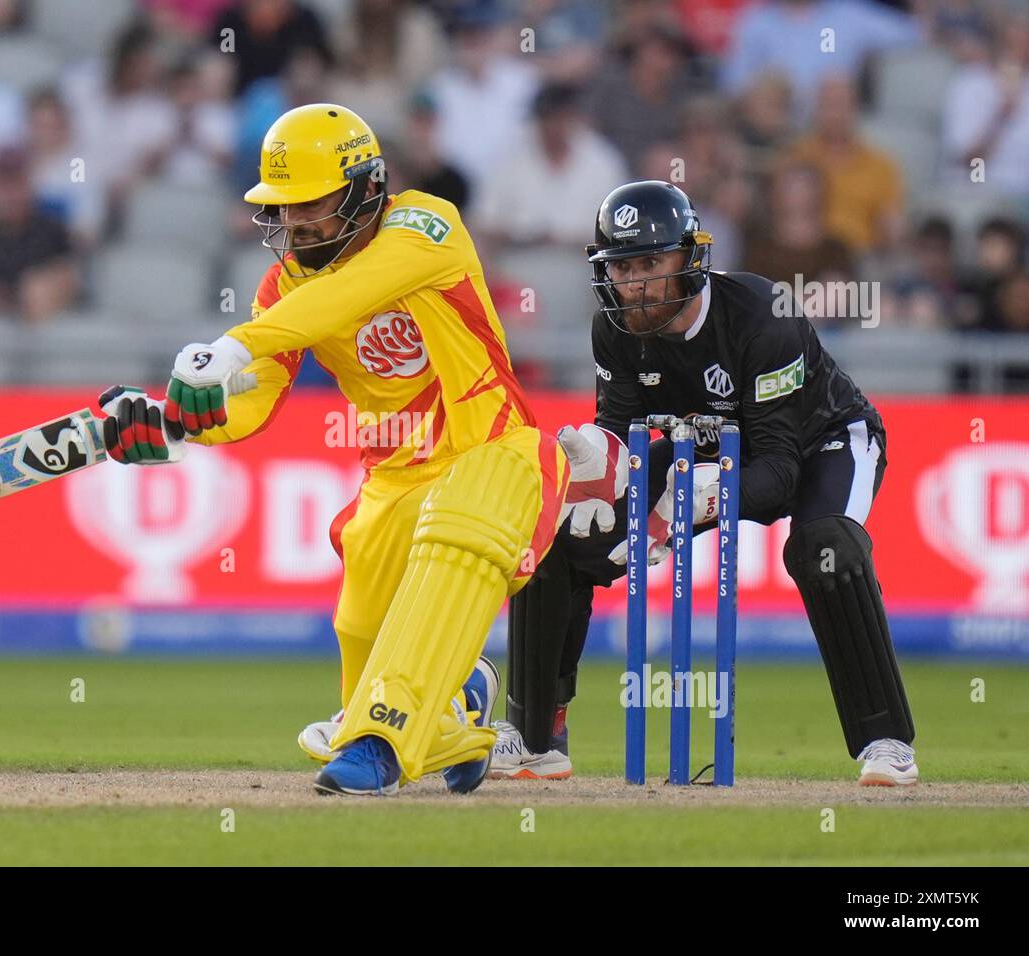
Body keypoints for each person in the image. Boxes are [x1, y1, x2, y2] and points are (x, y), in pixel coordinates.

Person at [96, 104, 570, 796]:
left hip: (492, 452)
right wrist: (179, 422)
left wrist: (232, 345)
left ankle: (379, 745)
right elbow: (256, 396)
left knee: (444, 566)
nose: (294, 224)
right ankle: (458, 718)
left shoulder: (425, 226)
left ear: (365, 188)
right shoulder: (284, 286)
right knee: (360, 630)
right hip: (393, 481)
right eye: (282, 208)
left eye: (310, 205)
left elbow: (351, 293)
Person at [495, 180, 918, 787]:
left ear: (689, 259)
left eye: (650, 264)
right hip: (704, 447)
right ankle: (537, 734)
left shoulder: (762, 315)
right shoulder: (613, 328)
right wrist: (594, 463)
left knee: (824, 550)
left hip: (821, 441)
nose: (634, 284)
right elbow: (620, 431)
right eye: (622, 267)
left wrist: (695, 502)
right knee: (562, 532)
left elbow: (777, 473)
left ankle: (885, 742)